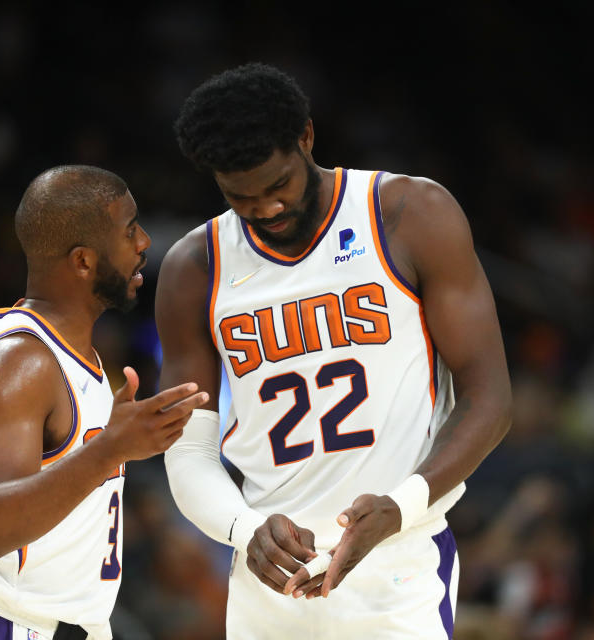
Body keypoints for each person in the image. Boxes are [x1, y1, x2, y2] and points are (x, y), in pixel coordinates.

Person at [156, 63, 512, 639]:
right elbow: (189, 449)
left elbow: (489, 397)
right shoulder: (194, 267)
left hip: (398, 562)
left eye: (278, 187)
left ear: (307, 138)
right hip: (268, 576)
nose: (266, 209)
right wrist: (242, 529)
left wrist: (403, 503)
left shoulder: (407, 214)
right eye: (241, 197)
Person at [0, 165, 208, 640]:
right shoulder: (19, 360)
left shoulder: (76, 358)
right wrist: (110, 450)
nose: (145, 242)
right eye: (129, 229)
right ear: (84, 261)